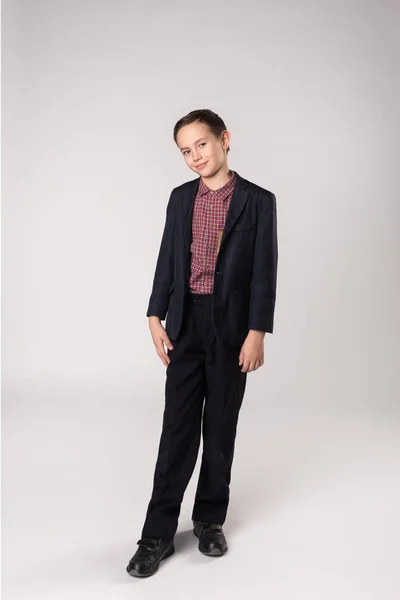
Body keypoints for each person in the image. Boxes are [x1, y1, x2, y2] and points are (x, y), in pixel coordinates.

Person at [126, 109, 278, 577]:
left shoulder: (258, 201)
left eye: (202, 145)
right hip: (186, 320)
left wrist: (257, 332)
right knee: (177, 430)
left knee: (220, 427)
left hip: (232, 327)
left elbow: (263, 271)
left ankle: (210, 520)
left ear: (224, 140)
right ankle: (156, 536)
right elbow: (167, 256)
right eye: (186, 151)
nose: (195, 157)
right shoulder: (179, 199)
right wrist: (154, 314)